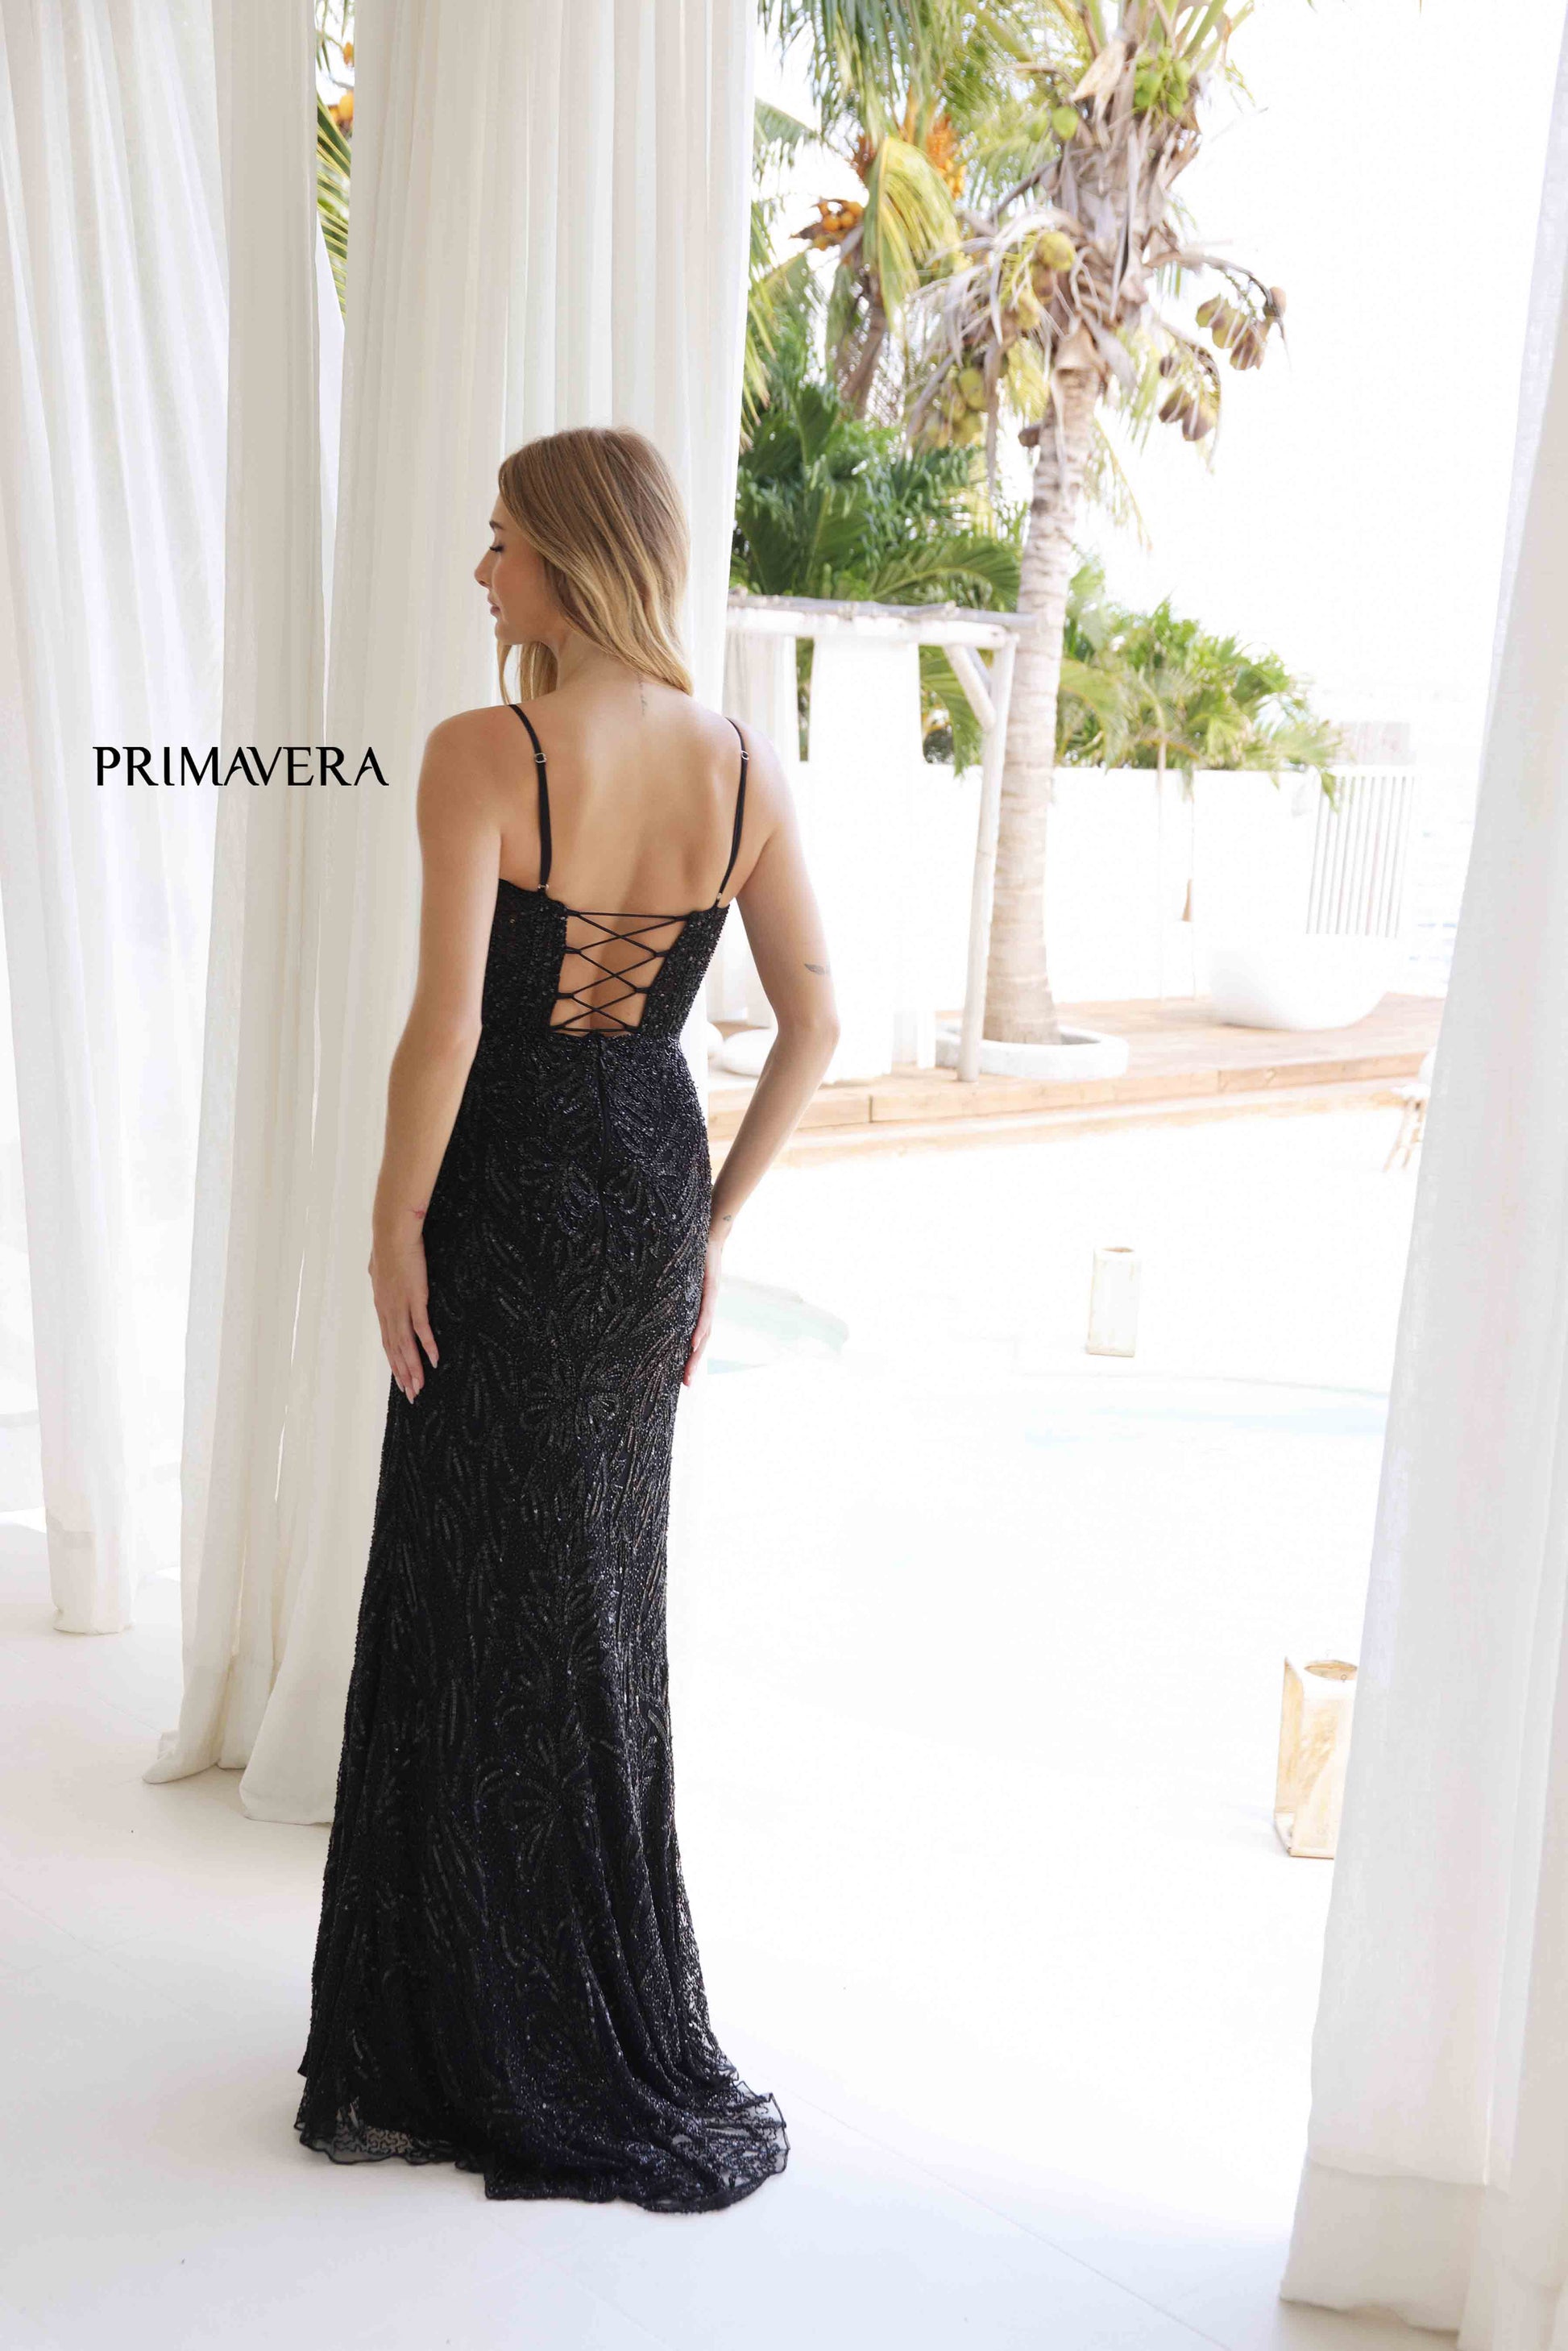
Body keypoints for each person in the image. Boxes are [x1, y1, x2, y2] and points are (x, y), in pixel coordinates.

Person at [293, 425, 838, 2210]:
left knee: (467, 1576)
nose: (483, 573)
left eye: (503, 541)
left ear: (576, 558)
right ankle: (579, 2000)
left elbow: (449, 1026)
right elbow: (818, 1022)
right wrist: (713, 1222)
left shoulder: (488, 751)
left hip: (508, 1189)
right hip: (642, 1191)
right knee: (595, 1590)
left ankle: (461, 2019)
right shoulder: (741, 764)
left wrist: (392, 1222)